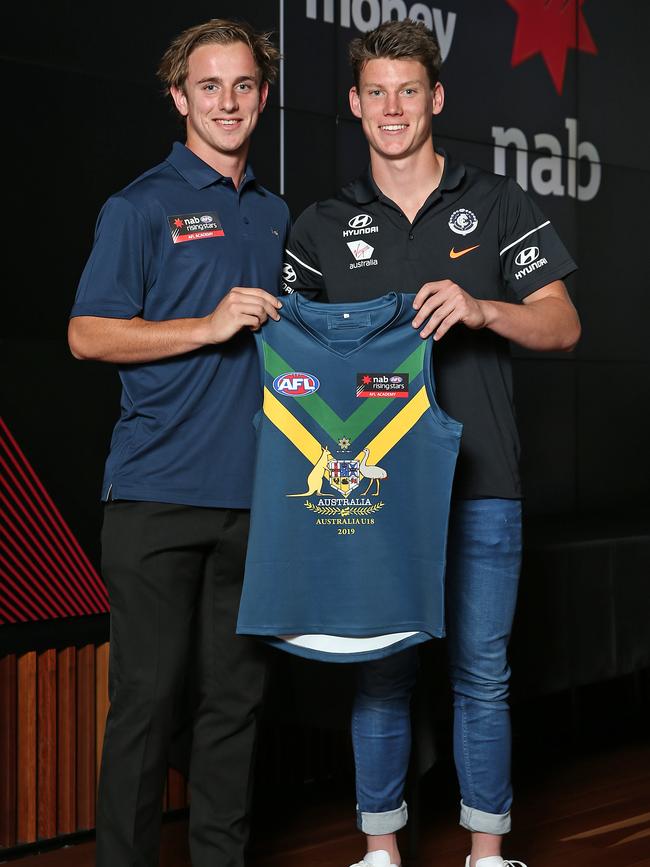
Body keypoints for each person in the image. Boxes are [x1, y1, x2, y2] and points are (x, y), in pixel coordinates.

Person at [283, 19, 580, 867]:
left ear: (436, 99)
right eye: (375, 91)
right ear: (354, 103)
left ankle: (487, 855)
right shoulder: (320, 226)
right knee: (380, 673)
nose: (392, 107)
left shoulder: (496, 203)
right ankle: (382, 853)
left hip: (484, 481)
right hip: (370, 491)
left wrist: (485, 308)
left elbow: (563, 323)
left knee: (482, 674)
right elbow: (289, 365)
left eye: (408, 90)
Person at [68, 19, 289, 867]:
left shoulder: (274, 214)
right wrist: (203, 326)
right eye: (209, 86)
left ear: (262, 97)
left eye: (242, 86)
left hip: (255, 499)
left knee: (233, 706)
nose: (227, 102)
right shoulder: (141, 205)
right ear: (179, 97)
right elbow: (88, 335)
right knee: (146, 705)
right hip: (156, 496)